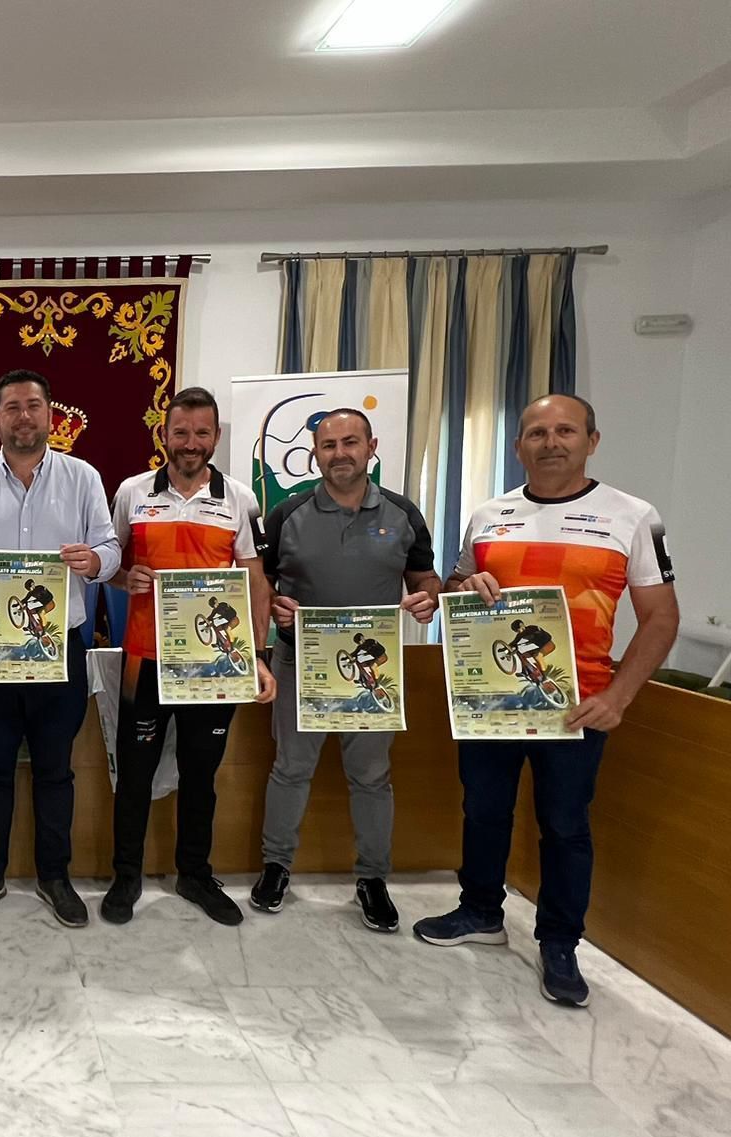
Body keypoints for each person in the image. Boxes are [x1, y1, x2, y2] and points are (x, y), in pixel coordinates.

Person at [414, 394, 679, 1007]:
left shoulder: (635, 516)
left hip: (577, 705)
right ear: (519, 446)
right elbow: (456, 590)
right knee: (483, 810)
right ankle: (480, 912)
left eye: (565, 430)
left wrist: (620, 695)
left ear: (592, 439)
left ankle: (559, 941)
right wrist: (462, 584)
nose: (550, 441)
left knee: (564, 825)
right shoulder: (487, 515)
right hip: (491, 699)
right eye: (537, 432)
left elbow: (661, 618)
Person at [0, 368, 121, 927]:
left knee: (55, 770)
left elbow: (109, 546)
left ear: (49, 412)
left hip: (60, 648)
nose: (23, 416)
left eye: (33, 405)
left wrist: (96, 562)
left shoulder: (82, 476)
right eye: (11, 407)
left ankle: (54, 877)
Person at [251, 408, 442, 930]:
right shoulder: (286, 514)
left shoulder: (404, 514)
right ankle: (276, 868)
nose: (340, 453)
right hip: (300, 663)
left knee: (372, 777)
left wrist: (429, 602)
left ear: (371, 446)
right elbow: (260, 584)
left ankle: (372, 879)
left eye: (350, 442)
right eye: (329, 445)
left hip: (375, 670)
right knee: (290, 769)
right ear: (315, 454)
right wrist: (273, 611)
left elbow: (427, 582)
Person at [102, 386, 276, 927]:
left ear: (216, 437)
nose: (191, 443)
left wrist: (259, 656)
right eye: (181, 432)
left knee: (202, 775)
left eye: (202, 433)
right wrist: (124, 575)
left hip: (215, 665)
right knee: (135, 773)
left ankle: (194, 874)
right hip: (145, 660)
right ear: (164, 434)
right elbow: (107, 561)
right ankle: (125, 875)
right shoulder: (132, 491)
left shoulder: (240, 500)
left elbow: (254, 582)